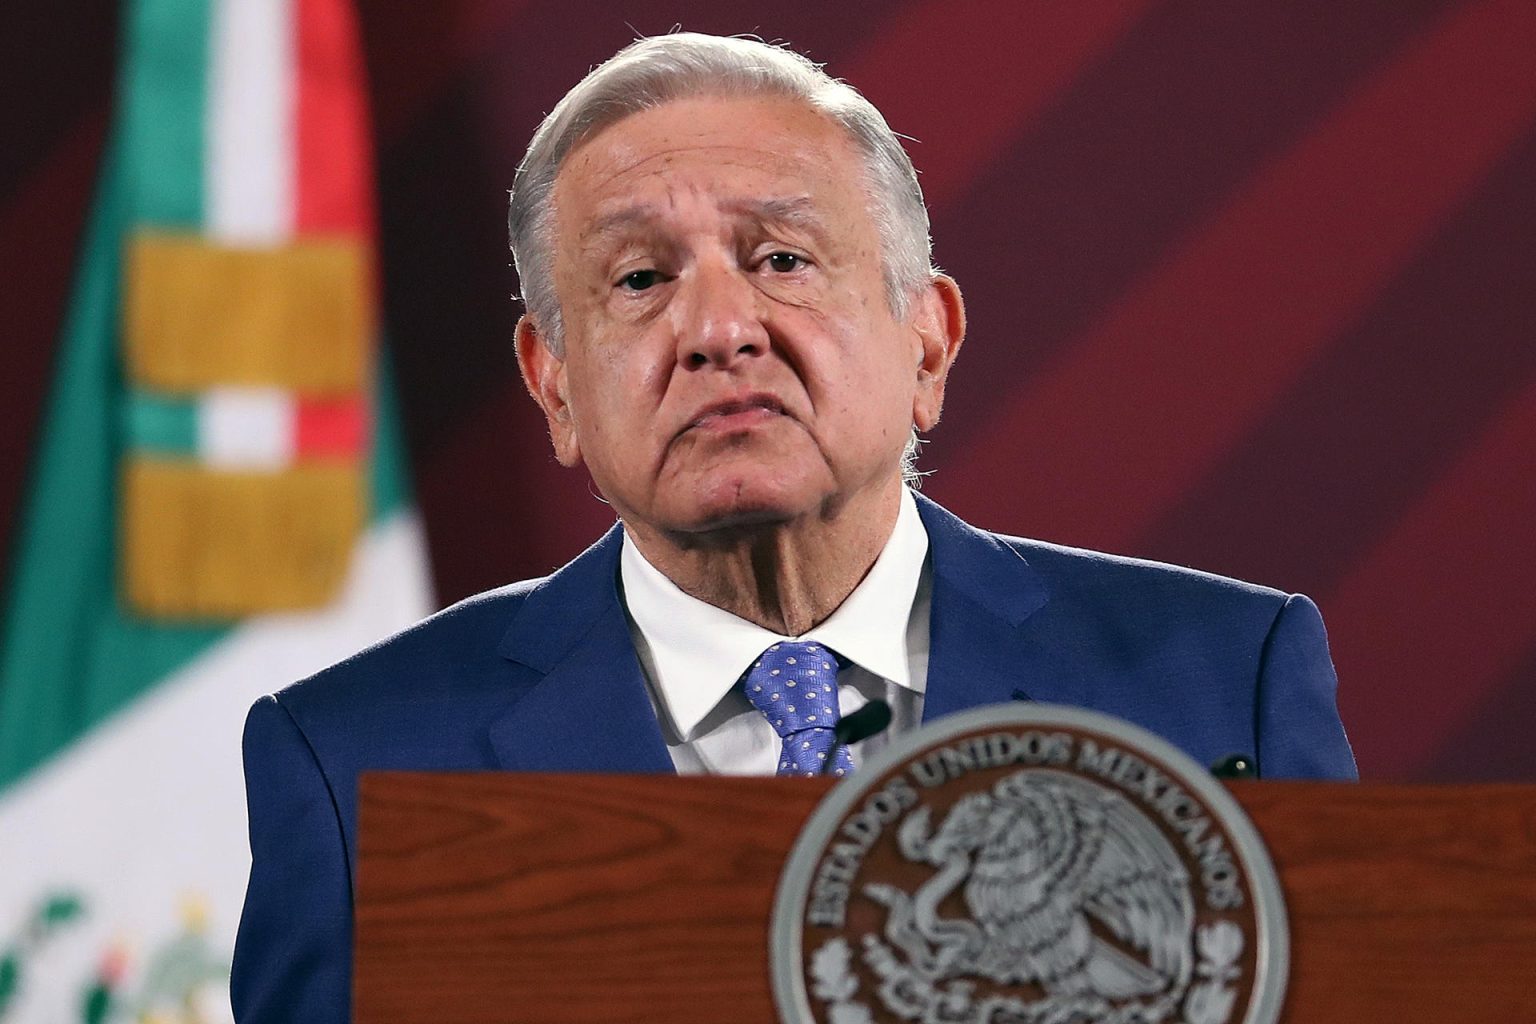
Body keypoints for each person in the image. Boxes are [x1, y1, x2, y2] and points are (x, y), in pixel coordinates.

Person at [230, 32, 1354, 1022]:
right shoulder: (353, 766)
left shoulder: (1220, 682)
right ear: (555, 383)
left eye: (781, 259)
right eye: (638, 278)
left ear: (927, 341)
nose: (719, 327)